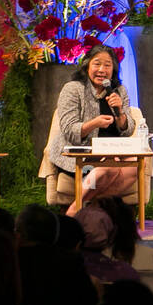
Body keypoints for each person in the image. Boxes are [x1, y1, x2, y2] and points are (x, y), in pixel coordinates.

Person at [47, 44, 138, 217]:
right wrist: (94, 123)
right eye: (97, 64)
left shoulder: (119, 91)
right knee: (103, 170)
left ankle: (86, 206)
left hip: (111, 154)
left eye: (107, 65)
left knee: (134, 164)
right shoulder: (73, 89)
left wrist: (120, 115)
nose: (102, 70)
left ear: (113, 69)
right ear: (87, 66)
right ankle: (76, 209)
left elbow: (128, 130)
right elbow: (69, 130)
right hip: (79, 156)